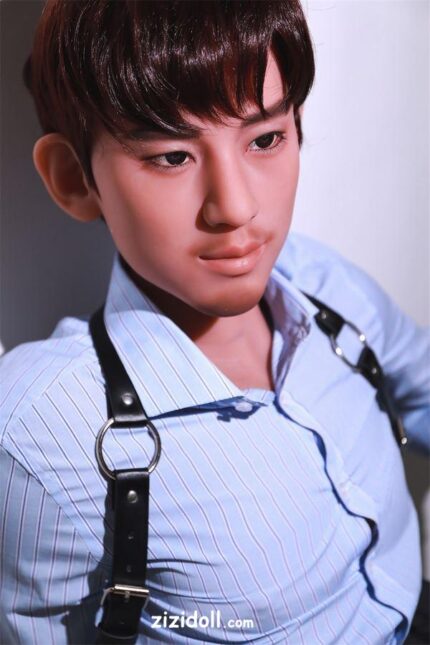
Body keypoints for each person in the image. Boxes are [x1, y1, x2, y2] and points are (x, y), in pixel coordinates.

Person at [0, 0, 428, 643]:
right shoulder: (42, 431)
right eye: (172, 156)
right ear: (74, 179)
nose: (235, 206)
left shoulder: (322, 286)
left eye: (266, 139)